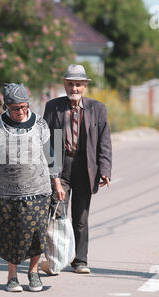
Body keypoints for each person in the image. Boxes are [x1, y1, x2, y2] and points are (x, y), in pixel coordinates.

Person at [0, 83, 65, 292]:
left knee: (37, 234)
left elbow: (51, 156)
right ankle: (12, 276)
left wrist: (57, 184)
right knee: (11, 235)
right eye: (16, 108)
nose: (21, 112)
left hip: (39, 190)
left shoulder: (40, 124)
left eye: (24, 107)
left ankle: (33, 273)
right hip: (8, 193)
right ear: (6, 106)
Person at [43, 64, 112, 274]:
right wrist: (48, 169)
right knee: (57, 214)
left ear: (85, 87)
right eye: (71, 84)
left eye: (78, 85)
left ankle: (80, 260)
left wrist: (105, 169)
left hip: (85, 167)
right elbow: (45, 140)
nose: (74, 88)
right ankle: (56, 259)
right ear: (65, 85)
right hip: (61, 168)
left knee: (80, 217)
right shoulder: (53, 107)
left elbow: (104, 141)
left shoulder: (97, 109)